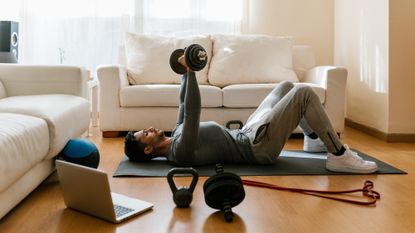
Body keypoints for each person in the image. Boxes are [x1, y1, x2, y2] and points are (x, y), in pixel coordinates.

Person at [124, 55, 378, 174]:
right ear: (147, 150)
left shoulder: (175, 136)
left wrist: (182, 72)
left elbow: (182, 105)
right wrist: (191, 72)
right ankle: (338, 155)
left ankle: (313, 140)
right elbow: (192, 111)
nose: (148, 129)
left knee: (286, 87)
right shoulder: (178, 153)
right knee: (304, 94)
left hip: (248, 132)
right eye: (143, 135)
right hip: (257, 147)